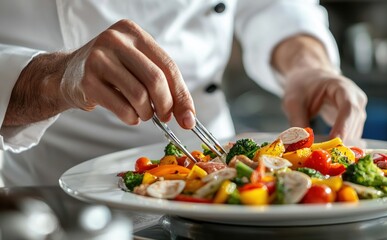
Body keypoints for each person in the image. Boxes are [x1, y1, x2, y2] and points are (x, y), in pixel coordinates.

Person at [0, 0, 367, 186]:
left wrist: (309, 66)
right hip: (47, 188)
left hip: (213, 162)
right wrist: (53, 78)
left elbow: (275, 6)